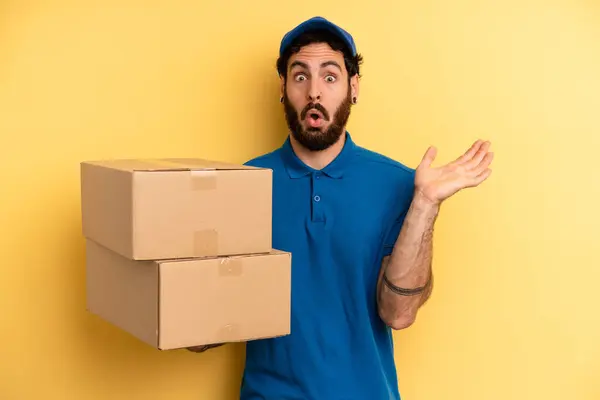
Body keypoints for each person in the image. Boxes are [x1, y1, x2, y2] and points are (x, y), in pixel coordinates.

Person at [194, 16, 494, 400]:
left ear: (354, 88)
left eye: (330, 77)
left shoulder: (398, 185)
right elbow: (200, 336)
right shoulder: (240, 185)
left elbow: (398, 314)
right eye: (300, 76)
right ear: (282, 88)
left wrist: (425, 204)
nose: (314, 92)